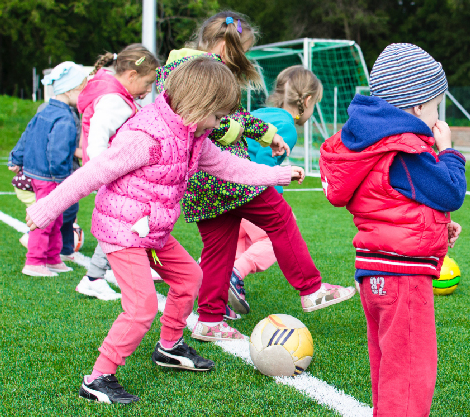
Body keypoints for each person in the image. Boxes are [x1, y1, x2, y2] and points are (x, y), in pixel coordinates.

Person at [25, 57, 305, 404]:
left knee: (190, 278)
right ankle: (97, 378)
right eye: (218, 116)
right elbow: (93, 173)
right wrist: (46, 208)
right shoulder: (146, 136)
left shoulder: (193, 134)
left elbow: (227, 166)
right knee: (141, 306)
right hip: (123, 231)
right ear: (198, 105)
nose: (221, 124)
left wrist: (277, 174)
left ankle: (169, 347)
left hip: (152, 231)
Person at [156, 11, 354, 344]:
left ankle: (209, 320)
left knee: (219, 248)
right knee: (279, 216)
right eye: (240, 52)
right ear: (222, 45)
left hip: (200, 184)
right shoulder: (198, 71)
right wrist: (237, 133)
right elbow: (212, 121)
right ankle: (311, 288)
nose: (241, 61)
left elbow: (233, 115)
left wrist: (267, 134)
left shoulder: (178, 67)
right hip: (226, 175)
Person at [319, 43, 466, 416]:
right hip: (402, 275)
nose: (436, 116)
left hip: (375, 272)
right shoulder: (402, 149)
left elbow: (395, 204)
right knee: (411, 372)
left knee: (389, 365)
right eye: (435, 105)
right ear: (416, 106)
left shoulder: (372, 142)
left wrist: (438, 229)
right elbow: (450, 192)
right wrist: (448, 151)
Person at [225, 65, 323, 316]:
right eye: (315, 104)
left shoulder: (259, 113)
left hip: (225, 189)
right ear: (307, 100)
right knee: (274, 237)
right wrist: (275, 201)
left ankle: (218, 290)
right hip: (248, 192)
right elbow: (263, 168)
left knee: (236, 241)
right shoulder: (286, 127)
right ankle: (236, 273)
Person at [74, 44, 160, 301]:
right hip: (113, 176)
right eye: (147, 84)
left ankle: (105, 273)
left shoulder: (116, 95)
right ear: (131, 76)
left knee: (127, 222)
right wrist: (105, 172)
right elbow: (98, 141)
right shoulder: (114, 101)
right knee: (121, 224)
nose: (147, 92)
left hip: (114, 174)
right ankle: (94, 277)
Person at [9, 61, 88, 277]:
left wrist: (16, 157)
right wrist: (63, 179)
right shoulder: (65, 118)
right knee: (45, 218)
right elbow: (58, 151)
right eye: (82, 89)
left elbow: (27, 133)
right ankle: (34, 261)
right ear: (71, 90)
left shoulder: (46, 110)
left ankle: (52, 258)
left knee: (57, 218)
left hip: (39, 173)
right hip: (50, 177)